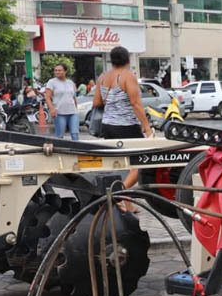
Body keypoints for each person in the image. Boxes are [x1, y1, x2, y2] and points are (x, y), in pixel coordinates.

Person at [94, 46, 154, 203]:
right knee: (142, 163)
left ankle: (127, 205)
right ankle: (117, 196)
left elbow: (97, 102)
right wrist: (147, 127)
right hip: (126, 126)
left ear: (111, 60)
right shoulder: (128, 76)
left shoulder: (102, 77)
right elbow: (135, 103)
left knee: (123, 164)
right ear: (127, 59)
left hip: (107, 126)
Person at [44, 63, 80, 141]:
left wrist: (77, 109)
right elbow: (47, 97)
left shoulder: (70, 83)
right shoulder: (51, 82)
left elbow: (74, 97)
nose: (57, 72)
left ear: (65, 71)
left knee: (75, 134)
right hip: (59, 113)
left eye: (59, 70)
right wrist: (52, 109)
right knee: (59, 135)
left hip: (73, 112)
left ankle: (77, 151)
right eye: (56, 70)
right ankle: (60, 151)